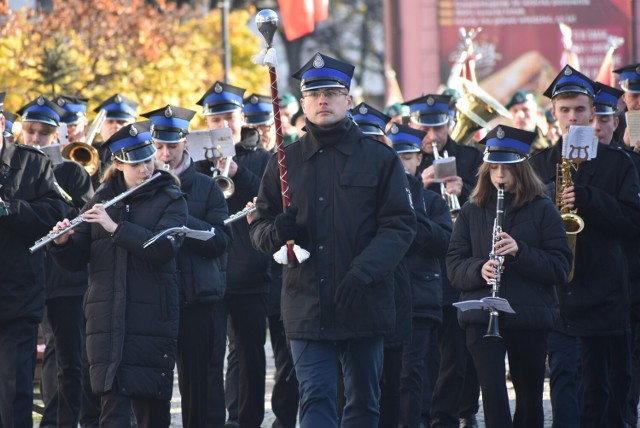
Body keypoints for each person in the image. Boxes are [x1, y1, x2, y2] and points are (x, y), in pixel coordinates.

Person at [249, 52, 417, 428]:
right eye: (314, 94)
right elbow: (258, 229)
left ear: (349, 100)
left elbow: (400, 225)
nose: (323, 100)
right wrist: (279, 232)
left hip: (363, 300)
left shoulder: (379, 159)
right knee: (317, 398)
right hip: (307, 304)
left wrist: (364, 273)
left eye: (332, 92)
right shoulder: (284, 162)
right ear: (303, 104)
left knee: (362, 404)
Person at [47, 121, 188, 428]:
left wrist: (115, 228)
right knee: (112, 411)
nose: (145, 169)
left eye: (148, 160)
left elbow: (163, 249)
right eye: (137, 163)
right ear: (119, 164)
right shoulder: (100, 200)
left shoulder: (171, 198)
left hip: (151, 320)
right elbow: (77, 259)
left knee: (153, 410)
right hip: (107, 322)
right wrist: (62, 243)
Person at [529, 64, 640, 427]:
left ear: (594, 112)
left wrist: (590, 198)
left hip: (606, 292)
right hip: (559, 295)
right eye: (565, 110)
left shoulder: (618, 164)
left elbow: (633, 221)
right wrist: (549, 198)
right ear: (554, 114)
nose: (573, 117)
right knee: (563, 383)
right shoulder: (539, 163)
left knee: (605, 389)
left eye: (580, 109)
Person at [448, 124, 572, 428]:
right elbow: (453, 264)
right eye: (494, 168)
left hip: (528, 315)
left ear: (522, 169)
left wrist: (520, 252)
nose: (500, 176)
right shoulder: (471, 210)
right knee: (492, 394)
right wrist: (480, 269)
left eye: (507, 168)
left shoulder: (543, 209)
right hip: (481, 313)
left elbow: (560, 266)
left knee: (529, 397)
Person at [142, 104, 232, 428]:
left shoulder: (207, 187)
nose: (165, 154)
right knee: (153, 386)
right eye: (160, 147)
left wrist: (180, 217)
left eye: (172, 146)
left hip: (196, 299)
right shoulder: (140, 187)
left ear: (185, 143)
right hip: (155, 299)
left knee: (202, 386)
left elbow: (222, 240)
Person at [196, 81, 272, 428]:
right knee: (210, 356)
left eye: (229, 116)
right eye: (216, 118)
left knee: (250, 356)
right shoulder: (196, 162)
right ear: (207, 123)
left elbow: (275, 199)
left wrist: (237, 172)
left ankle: (249, 420)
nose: (223, 124)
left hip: (249, 270)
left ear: (242, 119)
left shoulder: (260, 158)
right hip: (209, 271)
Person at [16, 95, 95, 428]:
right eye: (31, 131)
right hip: (26, 276)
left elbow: (84, 217)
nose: (36, 138)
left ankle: (63, 421)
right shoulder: (14, 170)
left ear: (58, 136)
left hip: (66, 279)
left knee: (69, 357)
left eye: (44, 133)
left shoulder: (72, 173)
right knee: (44, 355)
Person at [405, 93, 483, 428]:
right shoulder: (405, 160)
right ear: (413, 125)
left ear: (449, 124)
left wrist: (464, 191)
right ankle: (425, 411)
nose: (431, 136)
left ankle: (454, 411)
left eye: (438, 127)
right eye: (424, 128)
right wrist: (418, 185)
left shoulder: (468, 156)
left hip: (460, 260)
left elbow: (488, 205)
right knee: (424, 350)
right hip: (423, 266)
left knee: (457, 346)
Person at [0, 95, 70, 428]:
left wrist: (10, 209)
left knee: (15, 392)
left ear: (2, 125)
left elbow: (56, 213)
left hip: (18, 298)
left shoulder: (32, 163)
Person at [387, 124, 454, 428]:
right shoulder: (378, 196)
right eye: (395, 157)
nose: (402, 164)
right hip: (385, 298)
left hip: (419, 299)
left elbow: (443, 244)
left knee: (412, 375)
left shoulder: (433, 202)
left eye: (408, 157)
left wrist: (410, 209)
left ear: (418, 160)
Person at [91, 93, 139, 189]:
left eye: (121, 122)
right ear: (100, 127)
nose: (115, 125)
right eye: (110, 121)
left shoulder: (141, 152)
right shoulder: (89, 150)